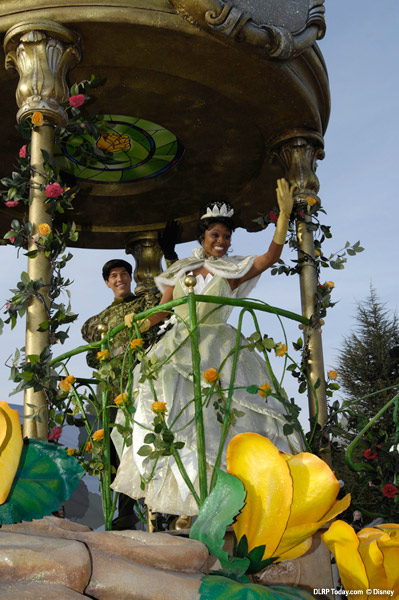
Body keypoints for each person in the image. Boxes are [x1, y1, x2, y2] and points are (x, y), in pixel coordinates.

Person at [111, 179, 303, 517]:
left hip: (219, 347)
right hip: (178, 346)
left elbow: (270, 257)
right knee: (180, 416)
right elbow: (163, 312)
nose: (221, 241)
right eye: (215, 235)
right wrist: (134, 325)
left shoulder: (231, 270)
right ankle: (190, 501)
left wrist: (284, 217)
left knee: (222, 421)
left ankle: (233, 499)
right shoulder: (180, 270)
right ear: (203, 236)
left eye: (226, 236)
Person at [81, 258, 162, 529]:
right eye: (113, 276)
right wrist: (107, 356)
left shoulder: (142, 304)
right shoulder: (101, 320)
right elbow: (91, 358)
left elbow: (162, 310)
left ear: (130, 277)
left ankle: (158, 509)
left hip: (143, 384)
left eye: (123, 274)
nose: (119, 279)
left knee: (146, 442)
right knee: (116, 449)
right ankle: (123, 512)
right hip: (114, 390)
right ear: (107, 282)